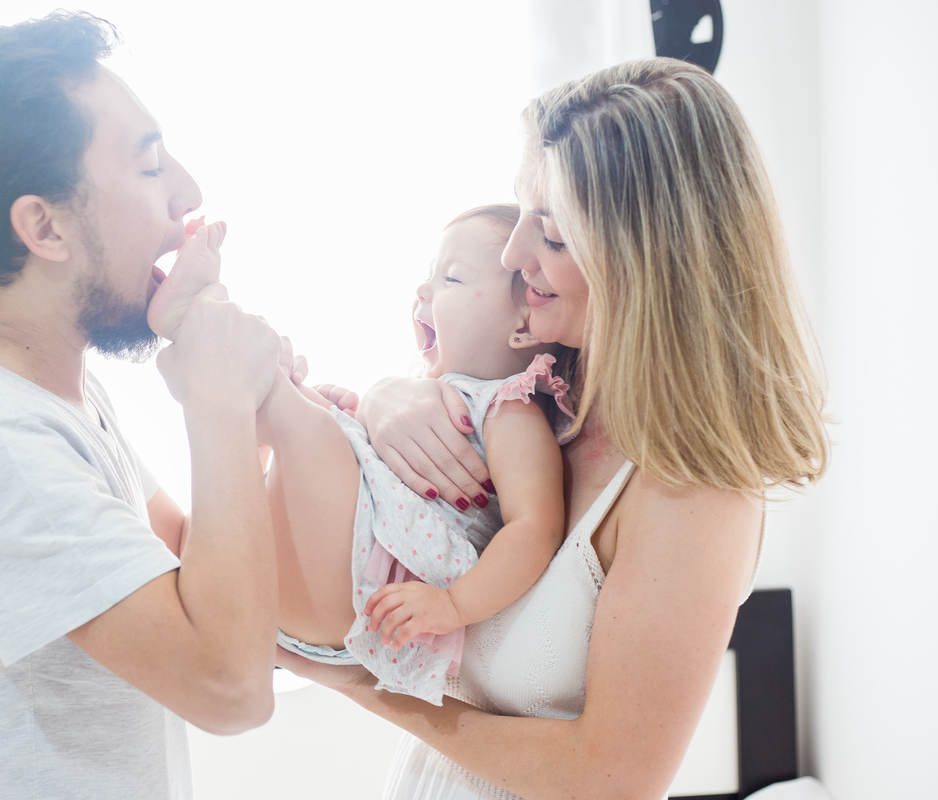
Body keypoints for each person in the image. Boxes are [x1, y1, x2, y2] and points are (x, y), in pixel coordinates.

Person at [279, 57, 829, 800]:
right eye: (521, 214)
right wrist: (387, 396)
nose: (513, 257)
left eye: (553, 235)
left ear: (644, 260)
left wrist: (360, 683)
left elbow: (611, 778)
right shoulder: (545, 400)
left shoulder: (695, 495)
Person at [0, 13, 285, 799]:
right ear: (44, 227)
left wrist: (253, 427)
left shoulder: (29, 383)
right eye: (150, 167)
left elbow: (187, 558)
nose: (188, 194)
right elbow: (231, 689)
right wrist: (217, 404)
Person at [153, 204, 573, 706]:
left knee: (298, 413)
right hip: (303, 582)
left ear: (524, 327)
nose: (423, 290)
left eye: (451, 279)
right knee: (299, 404)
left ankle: (200, 317)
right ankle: (210, 327)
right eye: (430, 274)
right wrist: (344, 419)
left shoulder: (510, 409)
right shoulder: (425, 392)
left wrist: (454, 604)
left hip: (371, 597)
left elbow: (535, 528)